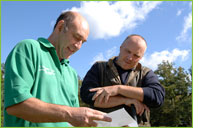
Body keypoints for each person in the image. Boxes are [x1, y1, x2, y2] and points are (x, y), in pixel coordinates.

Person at [3, 11, 111, 127]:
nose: (78, 46)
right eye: (76, 37)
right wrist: (69, 114)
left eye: (83, 42)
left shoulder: (72, 73)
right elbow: (16, 105)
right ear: (60, 27)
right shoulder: (28, 49)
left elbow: (75, 120)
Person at [80, 34, 165, 126]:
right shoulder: (99, 67)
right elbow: (88, 95)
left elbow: (157, 97)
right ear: (121, 48)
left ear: (141, 57)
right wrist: (126, 100)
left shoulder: (146, 73)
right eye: (128, 51)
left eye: (136, 55)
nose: (130, 58)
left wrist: (118, 89)